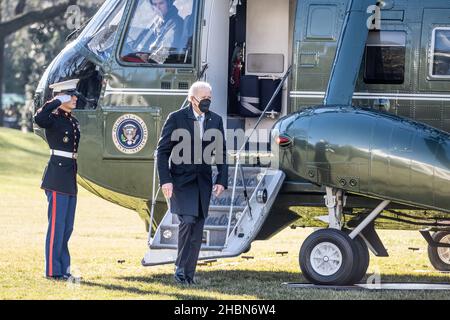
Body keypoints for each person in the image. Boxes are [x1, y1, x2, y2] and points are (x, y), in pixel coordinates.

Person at [156, 81, 228, 285]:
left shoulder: (215, 120)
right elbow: (162, 152)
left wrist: (222, 179)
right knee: (187, 221)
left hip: (203, 182)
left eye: (210, 98)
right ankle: (180, 269)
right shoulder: (176, 118)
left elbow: (221, 152)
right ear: (192, 99)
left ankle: (188, 274)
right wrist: (165, 180)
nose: (207, 101)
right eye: (203, 98)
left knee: (197, 228)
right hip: (181, 181)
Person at [34, 79, 81, 281]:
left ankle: (64, 267)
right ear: (61, 96)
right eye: (71, 95)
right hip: (56, 176)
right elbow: (38, 117)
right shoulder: (52, 118)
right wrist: (55, 101)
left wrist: (64, 100)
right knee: (57, 226)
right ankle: (53, 270)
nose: (75, 98)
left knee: (67, 226)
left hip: (69, 176)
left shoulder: (71, 120)